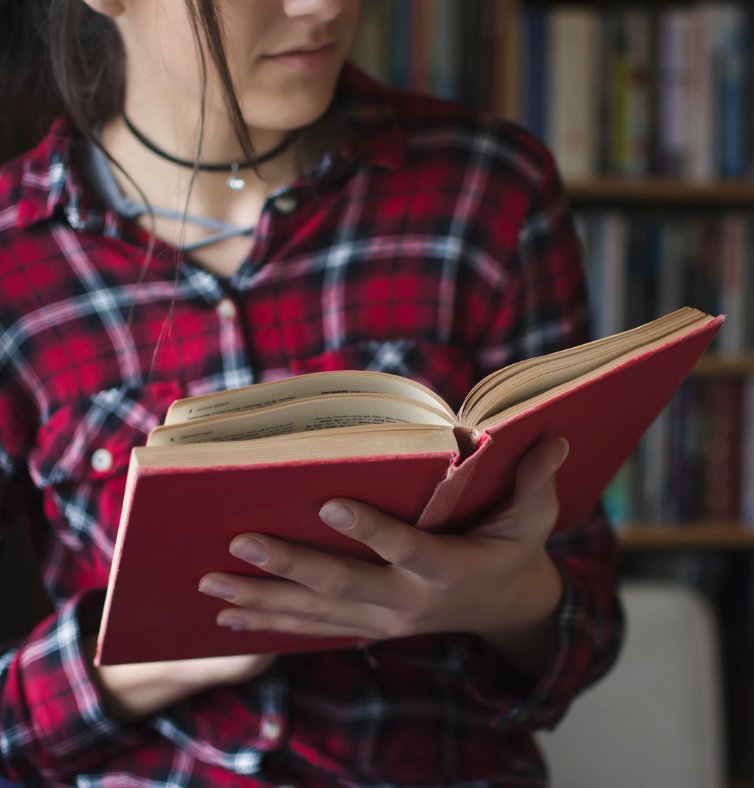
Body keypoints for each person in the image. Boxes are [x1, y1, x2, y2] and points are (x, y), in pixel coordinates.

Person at [0, 1, 623, 784]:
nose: (323, 5)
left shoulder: (489, 190)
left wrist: (506, 597)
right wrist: (134, 665)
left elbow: (590, 629)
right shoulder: (15, 253)